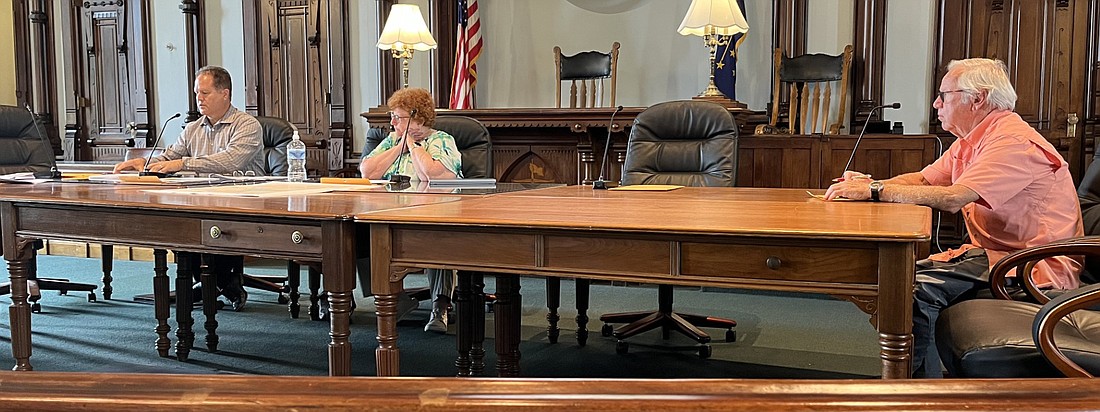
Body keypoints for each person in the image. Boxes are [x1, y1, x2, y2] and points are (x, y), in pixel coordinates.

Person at [825, 58, 1084, 377]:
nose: (936, 103)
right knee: (898, 278)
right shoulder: (974, 139)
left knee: (909, 288)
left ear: (978, 98)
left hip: (1034, 268)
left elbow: (952, 197)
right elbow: (924, 180)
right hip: (996, 259)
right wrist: (870, 185)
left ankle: (918, 397)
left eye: (944, 95)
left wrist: (875, 191)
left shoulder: (1013, 141)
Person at [114, 65, 264, 311]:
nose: (199, 99)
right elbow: (171, 155)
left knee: (213, 223)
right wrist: (148, 163)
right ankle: (214, 283)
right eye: (197, 93)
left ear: (225, 94)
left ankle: (220, 282)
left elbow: (230, 161)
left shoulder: (246, 125)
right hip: (200, 197)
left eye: (205, 93)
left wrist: (181, 163)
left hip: (242, 199)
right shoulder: (193, 128)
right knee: (178, 222)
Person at [359, 87, 463, 333]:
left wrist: (414, 145)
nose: (392, 122)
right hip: (389, 212)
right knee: (363, 232)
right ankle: (394, 299)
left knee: (439, 235)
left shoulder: (441, 140)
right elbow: (367, 172)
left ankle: (441, 305)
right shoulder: (390, 140)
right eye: (392, 117)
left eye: (399, 117)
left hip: (432, 212)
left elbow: (438, 176)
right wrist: (399, 146)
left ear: (418, 118)